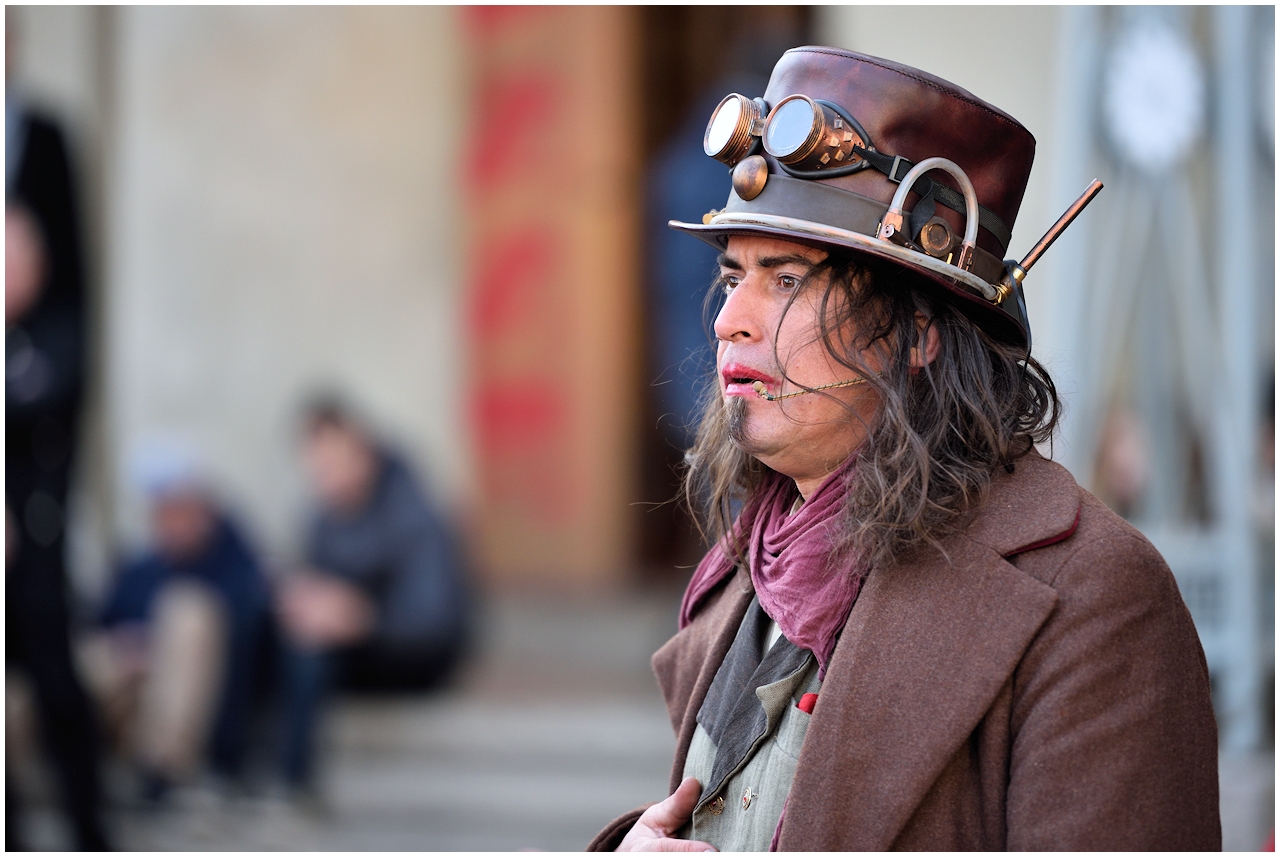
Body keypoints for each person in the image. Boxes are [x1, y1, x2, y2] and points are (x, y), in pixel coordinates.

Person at [589, 47, 1220, 851]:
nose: (728, 318)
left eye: (785, 280)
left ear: (918, 333)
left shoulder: (1094, 596)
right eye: (734, 273)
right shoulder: (747, 574)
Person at [5, 66, 110, 848]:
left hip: (30, 523)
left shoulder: (49, 347)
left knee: (50, 665)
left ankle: (90, 830)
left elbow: (47, 404)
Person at [277, 399, 470, 793]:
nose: (324, 476)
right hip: (357, 653)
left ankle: (291, 787)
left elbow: (434, 623)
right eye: (317, 466)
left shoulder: (414, 515)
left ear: (364, 456)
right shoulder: (322, 519)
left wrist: (361, 619)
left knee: (310, 652)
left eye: (333, 463)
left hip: (410, 660)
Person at [90, 452, 272, 802]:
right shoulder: (138, 569)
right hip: (123, 699)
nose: (172, 523)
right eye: (163, 513)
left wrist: (156, 649)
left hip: (190, 711)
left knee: (187, 609)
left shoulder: (233, 569)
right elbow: (101, 623)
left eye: (181, 511)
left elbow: (243, 623)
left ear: (205, 515)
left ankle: (163, 770)